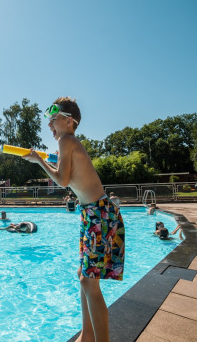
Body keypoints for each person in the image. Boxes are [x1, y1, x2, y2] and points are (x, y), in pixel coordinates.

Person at [22, 97, 124, 342]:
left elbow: (63, 181)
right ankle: (87, 336)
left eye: (53, 120)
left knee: (90, 284)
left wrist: (40, 161)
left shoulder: (67, 140)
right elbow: (67, 170)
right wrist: (49, 158)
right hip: (94, 213)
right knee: (83, 276)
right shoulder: (68, 143)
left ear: (68, 121)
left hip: (99, 213)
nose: (50, 125)